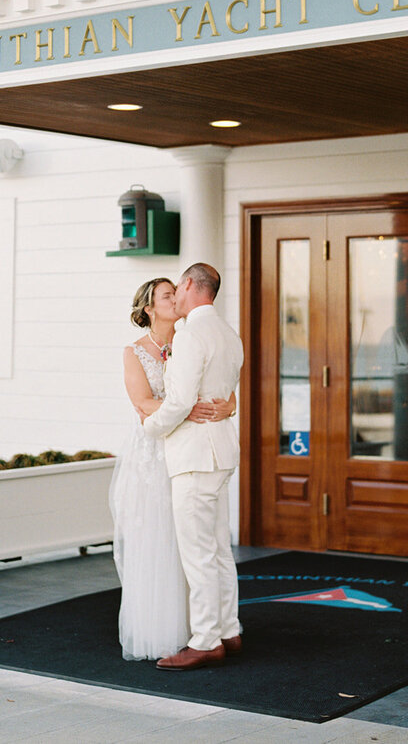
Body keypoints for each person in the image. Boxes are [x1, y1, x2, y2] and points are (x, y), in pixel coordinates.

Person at [109, 276, 234, 661]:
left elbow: (219, 388)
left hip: (190, 450)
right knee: (160, 537)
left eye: (176, 290)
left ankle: (204, 632)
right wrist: (177, 413)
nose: (174, 298)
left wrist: (227, 406)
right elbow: (142, 402)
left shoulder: (192, 337)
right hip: (154, 450)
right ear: (149, 308)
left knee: (196, 545)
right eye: (167, 295)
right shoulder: (135, 351)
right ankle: (165, 626)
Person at [142, 263, 244, 671]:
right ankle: (229, 629)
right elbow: (225, 395)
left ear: (187, 285)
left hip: (195, 456)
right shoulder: (229, 334)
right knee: (219, 549)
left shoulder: (191, 335)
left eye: (177, 289)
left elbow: (181, 400)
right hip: (220, 454)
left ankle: (205, 640)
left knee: (199, 553)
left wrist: (150, 428)